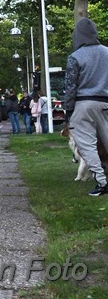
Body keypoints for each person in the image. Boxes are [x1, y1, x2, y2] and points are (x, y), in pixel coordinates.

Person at [64, 17, 108, 197]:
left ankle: (102, 182)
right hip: (106, 103)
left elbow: (70, 86)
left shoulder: (75, 57)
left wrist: (68, 110)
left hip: (82, 105)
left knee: (88, 147)